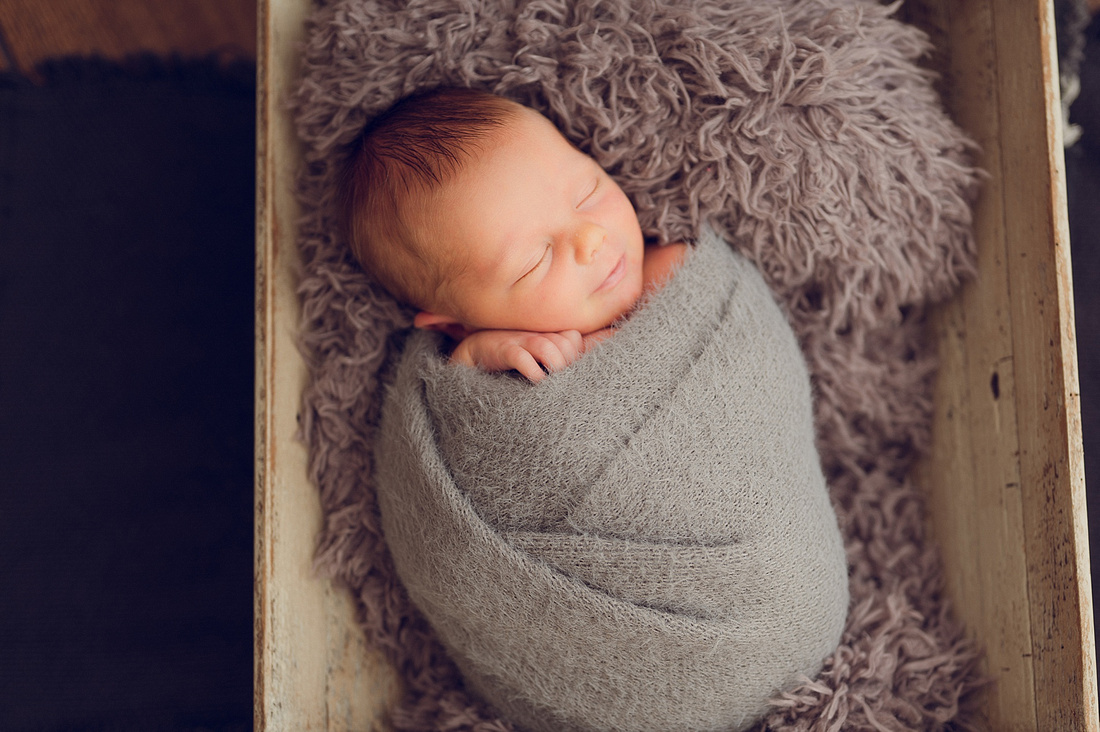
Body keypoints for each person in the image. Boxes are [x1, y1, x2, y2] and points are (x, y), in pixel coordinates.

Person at [339, 87, 687, 381]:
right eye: (535, 262)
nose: (590, 239)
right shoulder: (507, 357)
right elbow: (462, 422)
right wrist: (474, 358)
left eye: (588, 193)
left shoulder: (681, 264)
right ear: (460, 326)